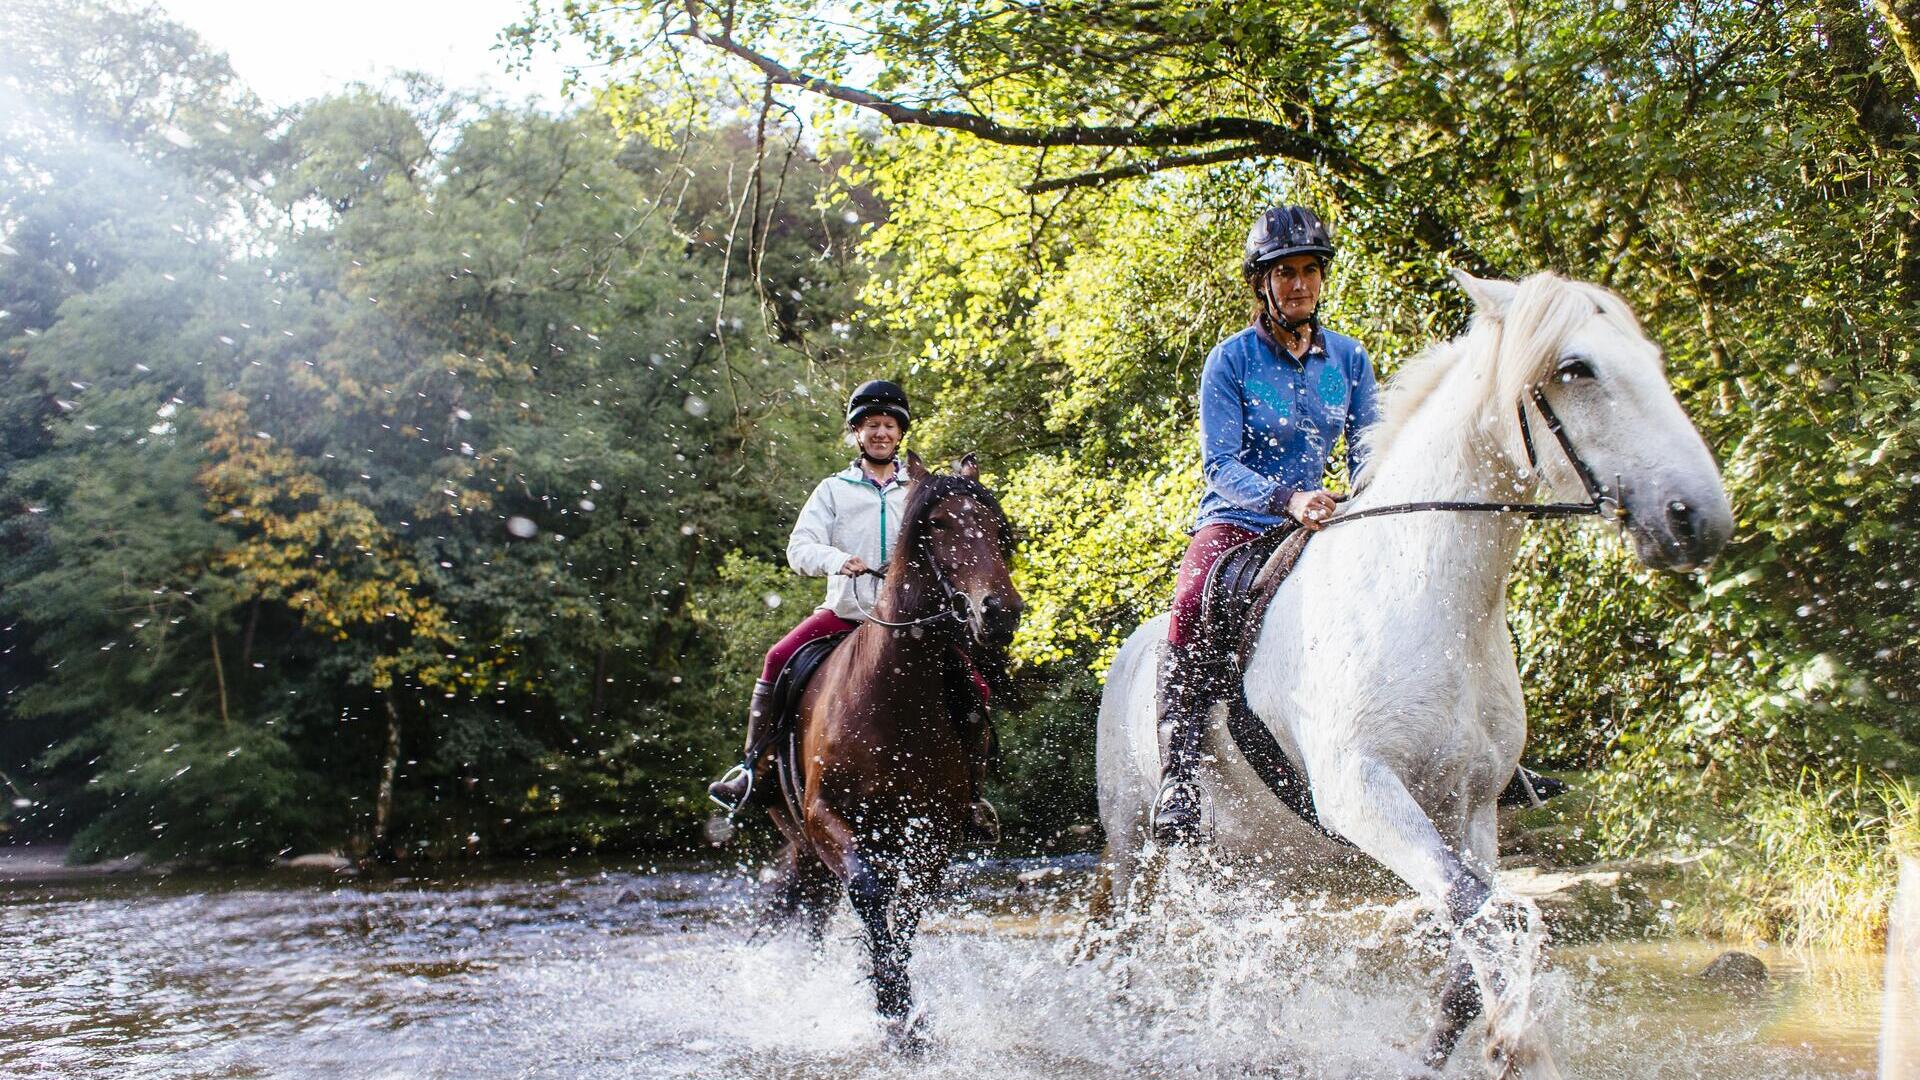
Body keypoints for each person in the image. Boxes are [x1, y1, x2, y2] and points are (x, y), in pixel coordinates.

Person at [1153, 205, 1381, 845]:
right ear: (1263, 283)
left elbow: (1369, 447)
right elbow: (1219, 464)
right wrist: (1288, 499)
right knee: (1193, 598)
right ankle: (1179, 772)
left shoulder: (1351, 361)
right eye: (1286, 273)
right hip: (1243, 518)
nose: (1300, 283)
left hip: (1325, 516)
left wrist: (1362, 491)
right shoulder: (1231, 362)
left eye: (1310, 270)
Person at [707, 380, 998, 835]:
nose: (881, 433)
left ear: (900, 433)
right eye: (871, 426)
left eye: (889, 425)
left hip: (911, 626)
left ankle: (972, 794)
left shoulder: (919, 491)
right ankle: (753, 769)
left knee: (974, 684)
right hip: (845, 615)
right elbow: (798, 549)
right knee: (777, 658)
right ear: (856, 433)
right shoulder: (833, 490)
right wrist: (838, 560)